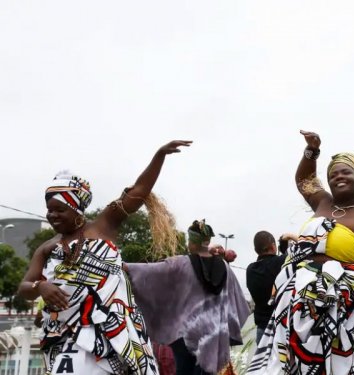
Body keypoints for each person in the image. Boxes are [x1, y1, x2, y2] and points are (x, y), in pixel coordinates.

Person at [247, 130, 354, 375]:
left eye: (346, 172)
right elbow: (304, 180)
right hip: (301, 304)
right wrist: (312, 150)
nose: (338, 177)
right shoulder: (323, 203)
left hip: (347, 308)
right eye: (333, 174)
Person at [17, 140, 191, 374]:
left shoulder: (102, 226)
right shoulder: (48, 247)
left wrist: (159, 155)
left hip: (111, 334)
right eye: (49, 209)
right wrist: (41, 286)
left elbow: (138, 191)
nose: (52, 215)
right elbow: (24, 287)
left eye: (60, 209)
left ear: (77, 208)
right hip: (66, 337)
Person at [126, 219, 250, 375]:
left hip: (185, 335)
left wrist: (127, 267)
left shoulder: (181, 264)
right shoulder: (225, 268)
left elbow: (152, 272)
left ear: (193, 242)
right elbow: (236, 300)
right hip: (214, 337)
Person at [246, 230, 289, 345]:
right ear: (273, 246)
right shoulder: (281, 262)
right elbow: (302, 252)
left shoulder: (250, 270)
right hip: (281, 328)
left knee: (262, 363)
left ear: (256, 250)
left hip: (262, 330)